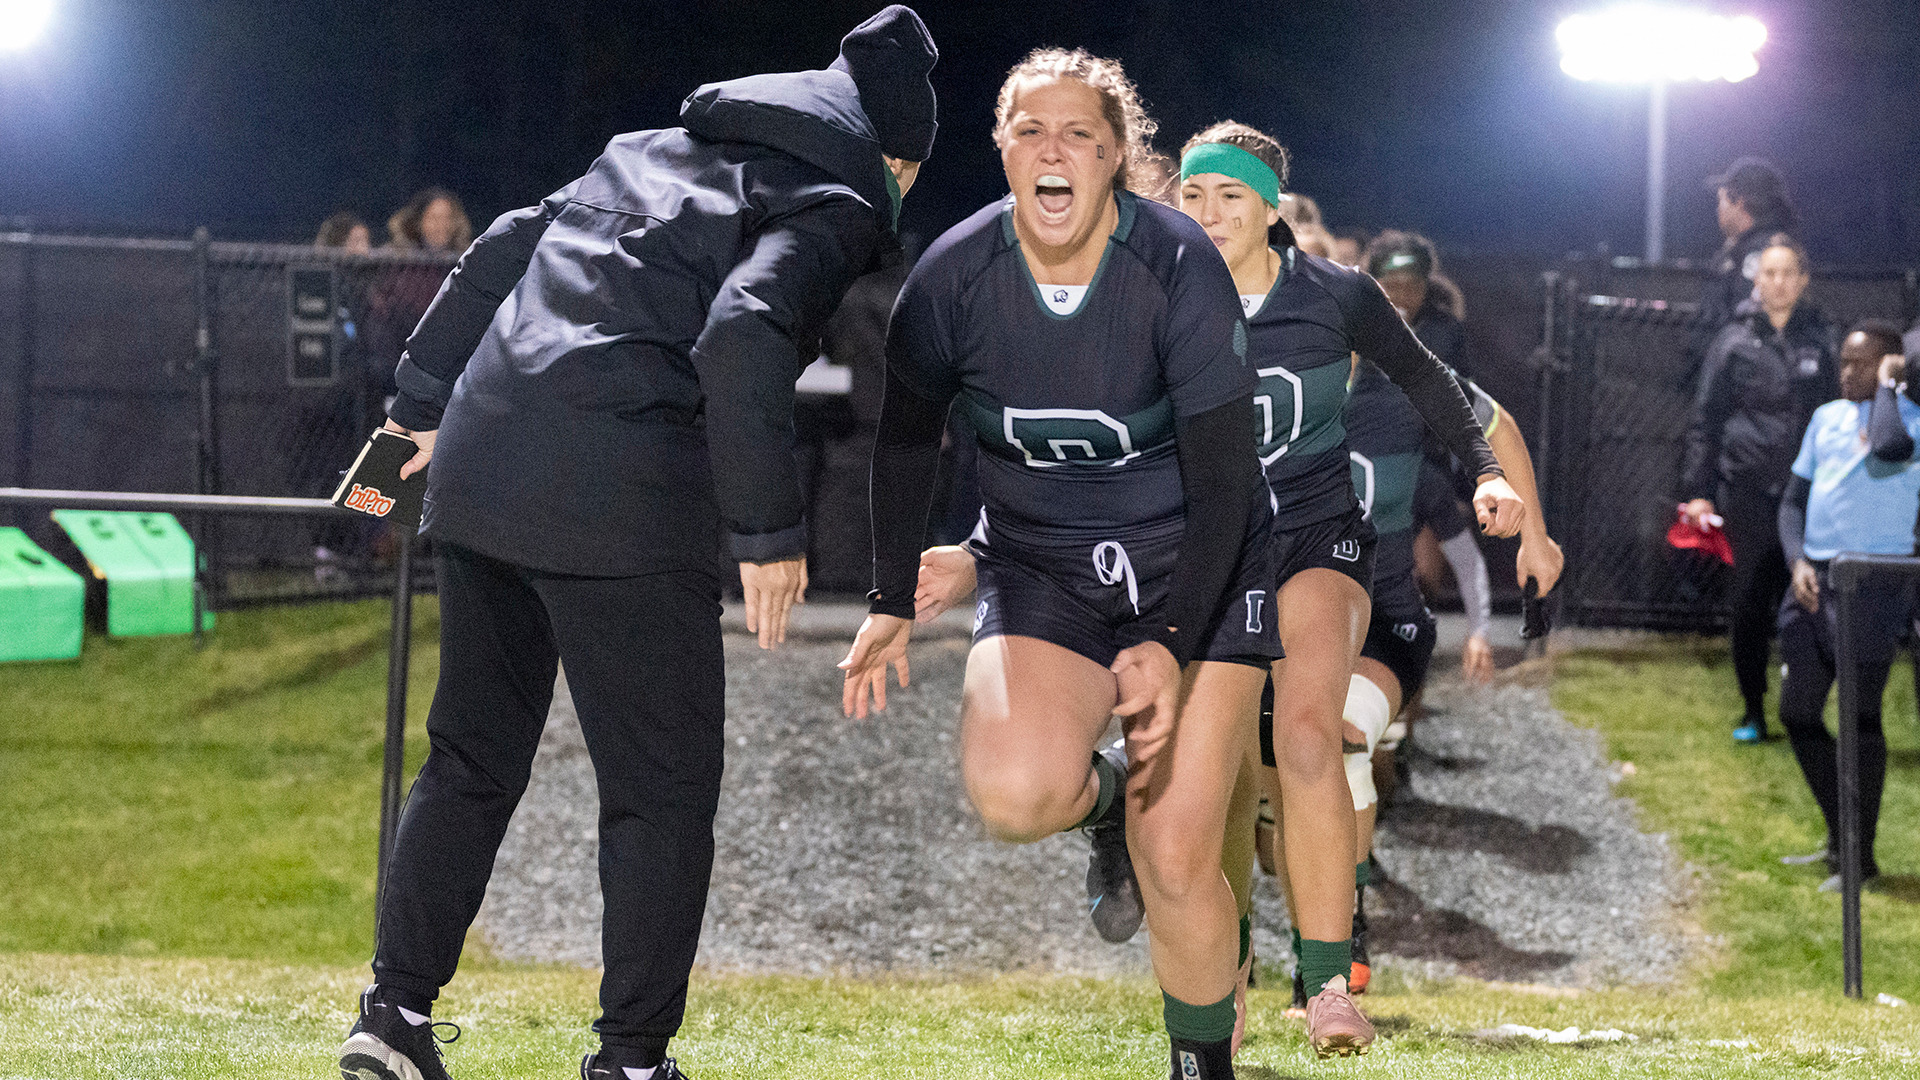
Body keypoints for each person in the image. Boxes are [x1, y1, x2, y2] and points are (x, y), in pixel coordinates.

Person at [340, 10, 939, 1080]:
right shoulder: (840, 197)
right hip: (618, 483)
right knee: (659, 793)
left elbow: (497, 252)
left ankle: (391, 1017)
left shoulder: (647, 151)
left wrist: (414, 409)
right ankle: (629, 1060)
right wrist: (767, 528)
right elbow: (747, 326)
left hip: (483, 463)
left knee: (471, 758)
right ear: (894, 156)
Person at [839, 49, 1280, 1079]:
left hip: (1200, 568)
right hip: (1045, 565)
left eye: (1080, 132)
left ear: (1118, 156)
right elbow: (906, 446)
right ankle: (1108, 806)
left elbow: (1223, 483)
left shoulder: (1174, 264)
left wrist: (1171, 642)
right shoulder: (952, 278)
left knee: (1177, 855)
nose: (1054, 148)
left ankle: (1200, 1059)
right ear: (1000, 149)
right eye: (1031, 129)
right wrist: (890, 595)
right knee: (1017, 794)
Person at [1173, 120, 1519, 1057]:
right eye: (1193, 195)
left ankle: (1329, 982)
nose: (1208, 214)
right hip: (1200, 557)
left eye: (1230, 197)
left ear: (1269, 208)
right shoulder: (1149, 289)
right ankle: (1222, 975)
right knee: (1221, 774)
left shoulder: (1336, 295)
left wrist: (1486, 470)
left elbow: (1432, 379)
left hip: (1317, 539)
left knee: (1307, 732)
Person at [1331, 363, 1563, 994]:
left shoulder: (1399, 374)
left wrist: (1534, 538)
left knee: (1344, 742)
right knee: (1269, 808)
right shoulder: (1261, 363)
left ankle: (1336, 941)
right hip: (1288, 619)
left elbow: (1500, 427)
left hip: (1387, 620)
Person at [1775, 321, 1919, 891]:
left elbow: (1885, 448)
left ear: (1890, 368)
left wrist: (1890, 388)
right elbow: (1791, 503)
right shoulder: (1824, 419)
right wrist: (1798, 562)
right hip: (1812, 581)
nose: (1845, 374)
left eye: (1861, 364)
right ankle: (1842, 837)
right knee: (1798, 713)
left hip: (1871, 585)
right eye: (1843, 363)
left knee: (1860, 721)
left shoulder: (1906, 424)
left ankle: (1862, 857)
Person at [1681, 234, 1840, 743]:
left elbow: (1839, 415)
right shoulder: (1732, 340)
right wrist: (1699, 491)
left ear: (1803, 280)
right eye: (1768, 273)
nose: (1777, 282)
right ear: (1755, 279)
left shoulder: (1823, 340)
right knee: (1748, 601)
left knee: (1808, 597)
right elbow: (1707, 420)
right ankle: (1753, 710)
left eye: (1787, 273)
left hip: (1807, 494)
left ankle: (1803, 702)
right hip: (1745, 490)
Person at [1692, 157, 1800, 370]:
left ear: (1739, 203)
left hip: (1743, 378)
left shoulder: (1764, 254)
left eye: (1721, 199)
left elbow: (1748, 322)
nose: (1718, 209)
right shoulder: (1753, 248)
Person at [1365, 230, 1469, 381]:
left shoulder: (1446, 332)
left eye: (1413, 287)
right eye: (1391, 286)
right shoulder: (1351, 327)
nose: (1402, 297)